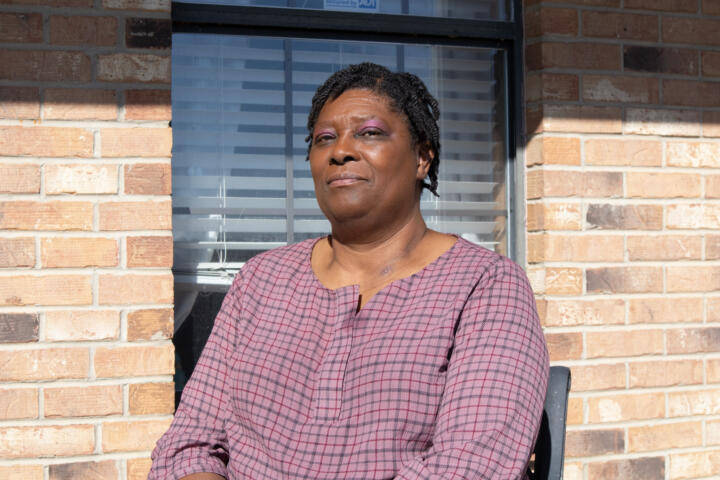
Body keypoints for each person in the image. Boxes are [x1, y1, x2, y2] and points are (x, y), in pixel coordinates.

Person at [149, 62, 549, 480]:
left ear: (422, 157)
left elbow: (470, 467)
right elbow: (190, 442)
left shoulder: (484, 285)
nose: (340, 150)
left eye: (370, 132)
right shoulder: (261, 279)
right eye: (324, 139)